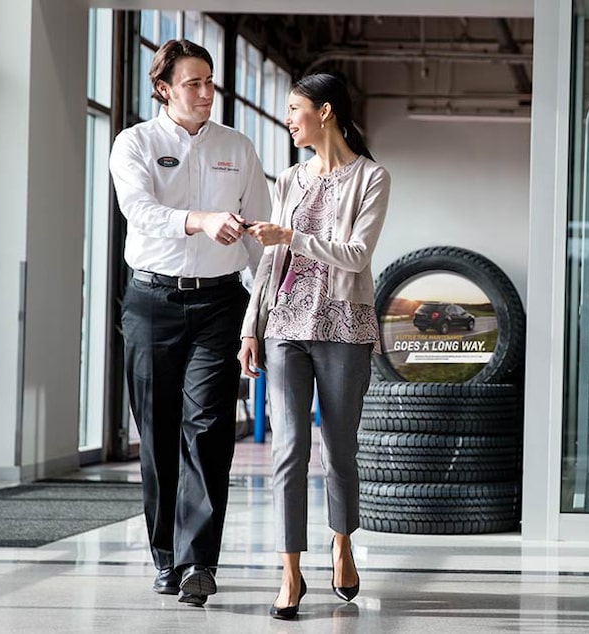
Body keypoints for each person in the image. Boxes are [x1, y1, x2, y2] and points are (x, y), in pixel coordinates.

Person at [109, 39, 269, 607]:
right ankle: (165, 559)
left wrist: (263, 312)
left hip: (221, 306)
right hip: (151, 302)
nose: (206, 93)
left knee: (208, 430)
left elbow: (261, 240)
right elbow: (141, 213)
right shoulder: (135, 144)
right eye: (193, 84)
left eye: (210, 82)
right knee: (157, 434)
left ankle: (199, 561)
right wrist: (200, 220)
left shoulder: (238, 147)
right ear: (163, 89)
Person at [236, 72, 390, 620]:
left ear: (324, 112)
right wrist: (250, 328)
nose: (288, 118)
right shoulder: (290, 181)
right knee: (288, 450)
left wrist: (292, 237)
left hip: (344, 326)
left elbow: (354, 255)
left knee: (340, 449)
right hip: (284, 328)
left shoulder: (371, 178)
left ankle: (342, 544)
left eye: (295, 108)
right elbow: (271, 263)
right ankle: (290, 572)